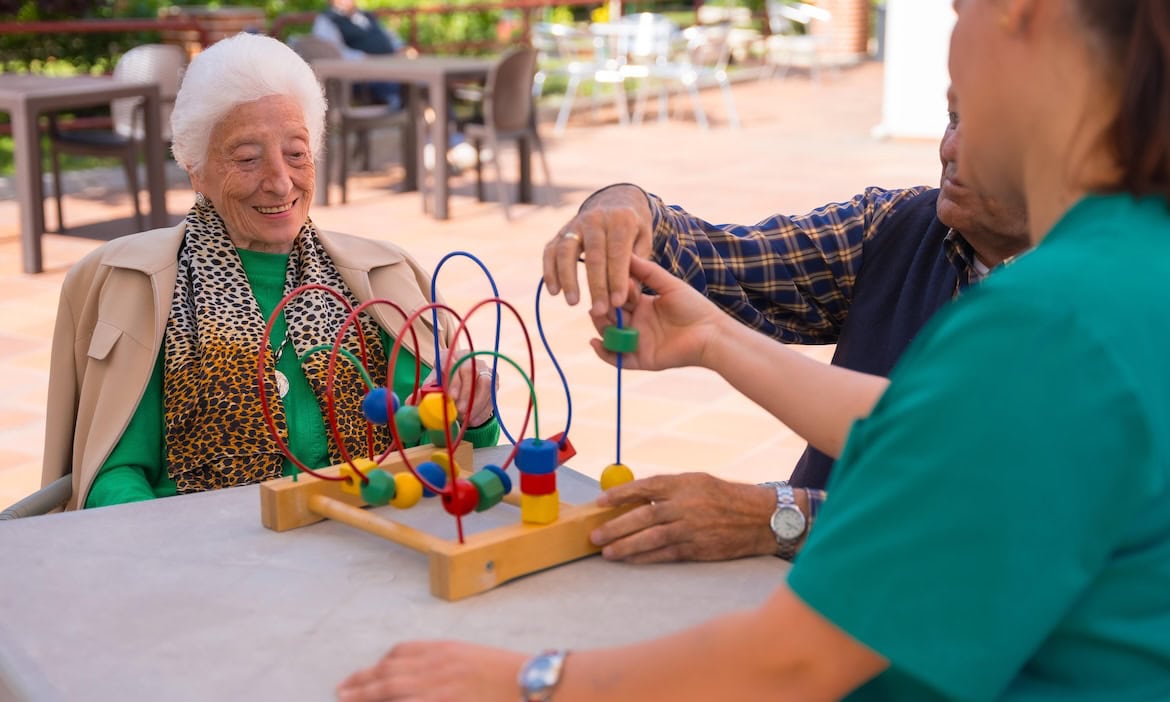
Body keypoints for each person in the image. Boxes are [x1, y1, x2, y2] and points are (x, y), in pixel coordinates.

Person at [338, 0, 1170, 699]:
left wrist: (526, 680)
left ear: (1025, 12)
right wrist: (713, 337)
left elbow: (792, 662)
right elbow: (942, 429)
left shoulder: (1047, 322)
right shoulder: (1131, 268)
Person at [541, 89, 1028, 563]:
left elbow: (999, 519)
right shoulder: (896, 226)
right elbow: (727, 263)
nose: (950, 148)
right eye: (953, 117)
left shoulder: (1066, 310)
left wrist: (780, 518)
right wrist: (625, 207)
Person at [40, 33, 499, 511]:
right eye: (246, 159)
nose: (280, 182)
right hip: (198, 543)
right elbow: (113, 477)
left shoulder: (382, 282)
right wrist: (183, 546)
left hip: (363, 534)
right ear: (195, 169)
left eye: (296, 153)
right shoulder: (148, 292)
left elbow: (441, 451)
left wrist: (474, 412)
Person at [312, 0, 412, 109]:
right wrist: (366, 58)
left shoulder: (367, 15)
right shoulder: (327, 20)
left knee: (415, 82)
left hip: (391, 67)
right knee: (400, 88)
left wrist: (401, 48)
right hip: (361, 77)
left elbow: (388, 37)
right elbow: (333, 52)